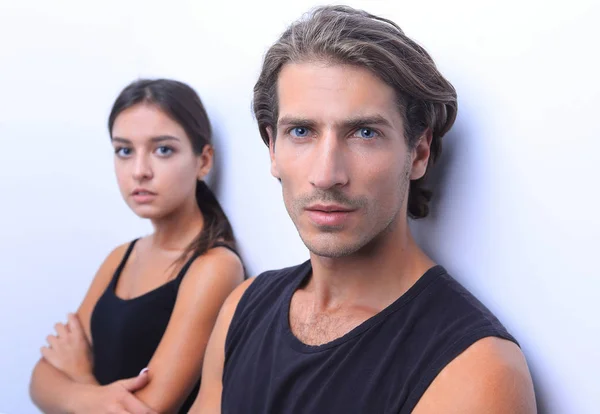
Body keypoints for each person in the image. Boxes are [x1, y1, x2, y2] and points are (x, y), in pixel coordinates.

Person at [190, 6, 536, 414]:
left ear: (419, 151)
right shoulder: (243, 307)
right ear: (273, 149)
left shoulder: (475, 368)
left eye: (364, 133)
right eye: (301, 131)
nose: (326, 174)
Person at [29, 78, 244, 413]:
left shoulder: (213, 266)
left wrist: (79, 376)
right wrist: (88, 397)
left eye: (163, 150)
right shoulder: (121, 257)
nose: (140, 171)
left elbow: (149, 408)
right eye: (124, 151)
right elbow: (40, 380)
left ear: (203, 161)